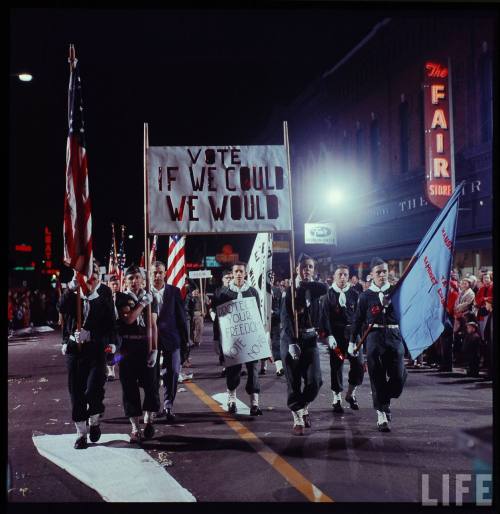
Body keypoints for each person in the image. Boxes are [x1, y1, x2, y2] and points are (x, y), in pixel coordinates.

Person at [57, 267, 117, 449]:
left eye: (95, 274)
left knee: (93, 390)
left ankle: (95, 420)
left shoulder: (104, 294)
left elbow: (110, 326)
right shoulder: (72, 294)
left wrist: (93, 336)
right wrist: (69, 339)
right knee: (76, 393)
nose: (91, 278)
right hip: (75, 351)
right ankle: (81, 433)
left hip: (96, 351)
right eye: (87, 274)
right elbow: (60, 307)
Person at [350, 257, 408, 432]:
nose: (382, 275)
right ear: (371, 275)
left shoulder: (397, 291)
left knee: (398, 376)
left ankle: (385, 398)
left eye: (384, 271)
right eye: (378, 272)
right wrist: (353, 340)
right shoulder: (365, 296)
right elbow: (358, 319)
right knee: (377, 376)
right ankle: (381, 414)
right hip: (374, 336)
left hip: (394, 335)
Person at [280, 254, 327, 435]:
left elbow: (324, 288)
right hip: (291, 340)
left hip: (309, 339)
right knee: (294, 381)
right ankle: (298, 415)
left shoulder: (314, 289)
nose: (306, 270)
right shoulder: (289, 291)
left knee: (315, 380)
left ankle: (304, 405)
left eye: (310, 267)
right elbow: (285, 319)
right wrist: (292, 342)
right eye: (303, 267)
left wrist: (305, 284)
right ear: (296, 269)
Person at [115, 265, 159, 443]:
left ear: (142, 279)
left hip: (145, 344)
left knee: (151, 385)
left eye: (137, 278)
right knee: (129, 388)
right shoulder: (121, 297)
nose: (134, 281)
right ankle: (135, 427)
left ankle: (149, 420)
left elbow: (153, 324)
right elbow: (129, 318)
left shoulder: (151, 296)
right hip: (127, 347)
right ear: (125, 280)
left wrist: (155, 349)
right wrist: (142, 303)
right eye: (130, 278)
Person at [217, 261, 263, 416]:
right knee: (233, 371)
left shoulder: (253, 292)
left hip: (251, 338)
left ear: (245, 273)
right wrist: (218, 340)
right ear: (232, 273)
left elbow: (258, 317)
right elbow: (220, 319)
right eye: (235, 271)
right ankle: (232, 400)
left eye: (241, 271)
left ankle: (255, 403)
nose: (238, 274)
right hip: (232, 339)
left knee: (253, 370)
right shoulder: (224, 293)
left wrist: (262, 338)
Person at [321, 264, 364, 413]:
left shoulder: (354, 294)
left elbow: (359, 317)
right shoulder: (328, 295)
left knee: (358, 365)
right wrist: (329, 335)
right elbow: (325, 317)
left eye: (345, 274)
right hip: (337, 337)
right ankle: (337, 397)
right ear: (334, 276)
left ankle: (351, 394)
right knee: (337, 365)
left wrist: (359, 336)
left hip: (353, 336)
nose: (342, 277)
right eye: (340, 274)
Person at [154, 261, 189, 423]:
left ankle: (168, 406)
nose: (157, 275)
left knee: (173, 372)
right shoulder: (145, 292)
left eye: (160, 272)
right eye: (154, 272)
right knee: (151, 376)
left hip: (172, 339)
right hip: (151, 341)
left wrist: (185, 341)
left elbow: (181, 317)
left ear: (165, 273)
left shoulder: (174, 292)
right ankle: (153, 406)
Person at [210, 269, 233, 377]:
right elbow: (213, 305)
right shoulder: (218, 291)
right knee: (222, 344)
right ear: (223, 279)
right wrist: (212, 312)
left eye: (230, 278)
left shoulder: (235, 290)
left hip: (233, 322)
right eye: (227, 278)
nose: (229, 280)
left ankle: (230, 367)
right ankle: (226, 365)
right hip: (220, 321)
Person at [105, 275, 121, 381]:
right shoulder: (104, 297)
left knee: (118, 348)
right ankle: (110, 369)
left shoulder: (123, 296)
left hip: (120, 326)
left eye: (117, 284)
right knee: (109, 349)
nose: (115, 286)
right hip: (108, 327)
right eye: (113, 284)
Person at [269, 271, 284, 377]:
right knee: (262, 344)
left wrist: (274, 312)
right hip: (261, 322)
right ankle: (262, 366)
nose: (271, 278)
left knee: (276, 343)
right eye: (269, 276)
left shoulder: (277, 290)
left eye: (273, 276)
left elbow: (281, 306)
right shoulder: (257, 290)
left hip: (275, 321)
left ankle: (279, 366)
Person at [475, 271, 493, 339]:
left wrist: (486, 299)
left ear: (490, 278)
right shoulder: (481, 288)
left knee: (489, 331)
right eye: (484, 278)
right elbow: (476, 300)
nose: (486, 279)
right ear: (482, 280)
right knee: (482, 330)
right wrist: (483, 299)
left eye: (487, 278)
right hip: (482, 311)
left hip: (490, 311)